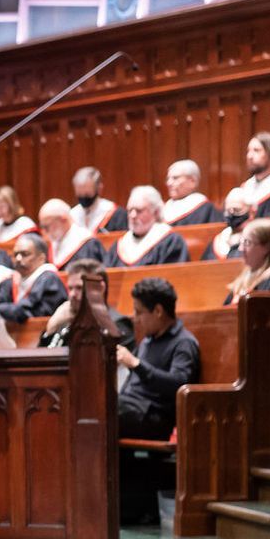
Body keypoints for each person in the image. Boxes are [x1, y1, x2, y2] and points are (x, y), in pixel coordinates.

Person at [116, 278, 201, 440]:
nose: (135, 318)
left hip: (155, 416)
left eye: (139, 312)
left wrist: (136, 364)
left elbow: (179, 385)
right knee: (97, 404)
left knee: (104, 409)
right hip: (130, 410)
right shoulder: (147, 341)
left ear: (158, 311)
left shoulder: (183, 343)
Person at [36, 259, 134, 349]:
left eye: (79, 288)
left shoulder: (118, 326)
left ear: (100, 288)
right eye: (70, 288)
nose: (72, 294)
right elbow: (42, 360)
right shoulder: (64, 321)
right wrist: (51, 329)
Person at [109, 185, 190, 267]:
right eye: (130, 210)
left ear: (156, 212)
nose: (132, 215)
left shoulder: (171, 242)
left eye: (139, 211)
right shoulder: (120, 246)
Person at [0, 233, 70, 322]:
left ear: (41, 258)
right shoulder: (12, 280)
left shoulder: (49, 279)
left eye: (25, 254)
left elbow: (36, 313)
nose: (18, 258)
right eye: (16, 254)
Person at [38, 198, 107, 270]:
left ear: (63, 220)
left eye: (47, 226)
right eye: (42, 227)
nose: (44, 231)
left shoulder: (87, 244)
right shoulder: (51, 246)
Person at [160, 160, 218, 225]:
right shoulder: (162, 209)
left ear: (192, 181)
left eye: (175, 178)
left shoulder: (205, 208)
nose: (169, 183)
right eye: (167, 179)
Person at [202, 189, 254, 261]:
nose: (231, 214)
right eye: (228, 210)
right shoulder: (219, 241)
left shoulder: (258, 239)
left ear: (251, 212)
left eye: (237, 210)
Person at [72, 166, 120, 231]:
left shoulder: (115, 214)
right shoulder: (72, 215)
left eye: (87, 194)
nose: (83, 199)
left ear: (99, 189)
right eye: (80, 195)